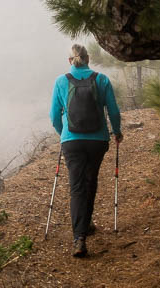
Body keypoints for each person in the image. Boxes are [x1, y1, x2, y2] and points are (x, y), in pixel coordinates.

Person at [49, 43, 122, 258]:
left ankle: (79, 237)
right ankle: (86, 223)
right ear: (88, 59)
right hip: (97, 140)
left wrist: (64, 134)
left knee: (77, 186)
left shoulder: (61, 81)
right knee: (90, 180)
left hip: (71, 141)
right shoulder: (102, 79)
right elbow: (114, 111)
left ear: (70, 61)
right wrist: (117, 132)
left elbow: (54, 115)